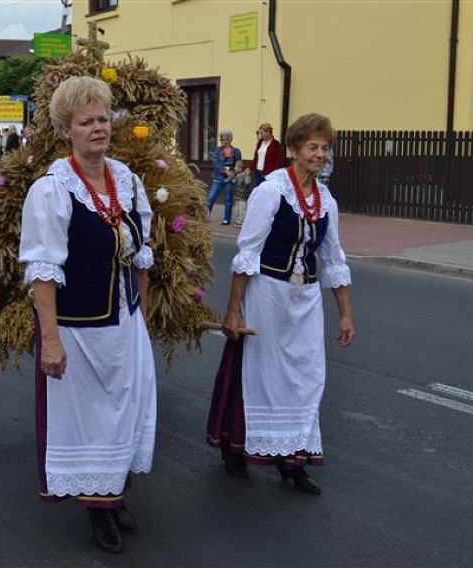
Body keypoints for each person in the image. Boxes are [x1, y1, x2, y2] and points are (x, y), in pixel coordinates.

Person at [19, 75, 156, 553]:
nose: (98, 128)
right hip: (78, 330)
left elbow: (141, 253)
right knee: (90, 419)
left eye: (103, 119)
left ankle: (114, 495)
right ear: (65, 132)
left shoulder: (128, 180)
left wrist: (139, 313)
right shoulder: (51, 190)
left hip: (125, 323)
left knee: (126, 412)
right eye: (86, 122)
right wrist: (50, 340)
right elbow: (43, 269)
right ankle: (97, 510)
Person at [207, 113, 355, 496]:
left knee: (307, 378)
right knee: (261, 373)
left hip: (304, 298)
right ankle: (237, 446)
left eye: (325, 148)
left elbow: (334, 258)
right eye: (312, 147)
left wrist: (345, 315)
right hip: (267, 293)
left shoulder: (326, 201)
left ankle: (294, 459)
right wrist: (234, 309)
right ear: (293, 151)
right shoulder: (271, 191)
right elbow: (247, 254)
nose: (320, 154)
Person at [206, 129, 242, 225]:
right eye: (220, 139)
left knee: (228, 199)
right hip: (218, 177)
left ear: (229, 140)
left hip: (229, 179)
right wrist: (226, 172)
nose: (221, 141)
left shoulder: (236, 151)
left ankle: (226, 219)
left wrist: (233, 173)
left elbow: (238, 164)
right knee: (211, 197)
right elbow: (216, 163)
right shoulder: (218, 150)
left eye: (223, 139)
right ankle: (205, 216)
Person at [248, 122, 284, 186]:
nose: (260, 135)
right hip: (258, 173)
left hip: (269, 174)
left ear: (268, 132)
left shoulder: (276, 144)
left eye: (262, 133)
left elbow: (279, 162)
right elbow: (256, 157)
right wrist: (250, 168)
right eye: (259, 133)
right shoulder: (260, 142)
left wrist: (275, 174)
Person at [231, 159, 251, 227]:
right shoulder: (237, 175)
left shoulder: (245, 176)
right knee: (237, 209)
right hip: (237, 196)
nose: (234, 168)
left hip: (243, 197)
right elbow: (233, 182)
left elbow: (248, 182)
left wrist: (248, 175)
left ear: (240, 168)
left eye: (235, 167)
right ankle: (238, 221)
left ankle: (242, 222)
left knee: (242, 209)